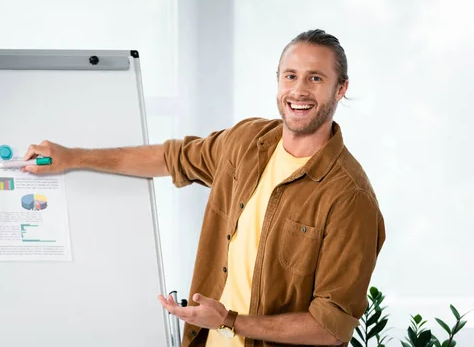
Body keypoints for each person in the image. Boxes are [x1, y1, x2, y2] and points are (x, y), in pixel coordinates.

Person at [22, 29, 386, 347]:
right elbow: (171, 158)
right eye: (290, 76)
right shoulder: (246, 143)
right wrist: (73, 157)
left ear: (341, 88)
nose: (299, 91)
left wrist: (230, 320)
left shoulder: (350, 198)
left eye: (316, 79)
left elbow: (330, 327)